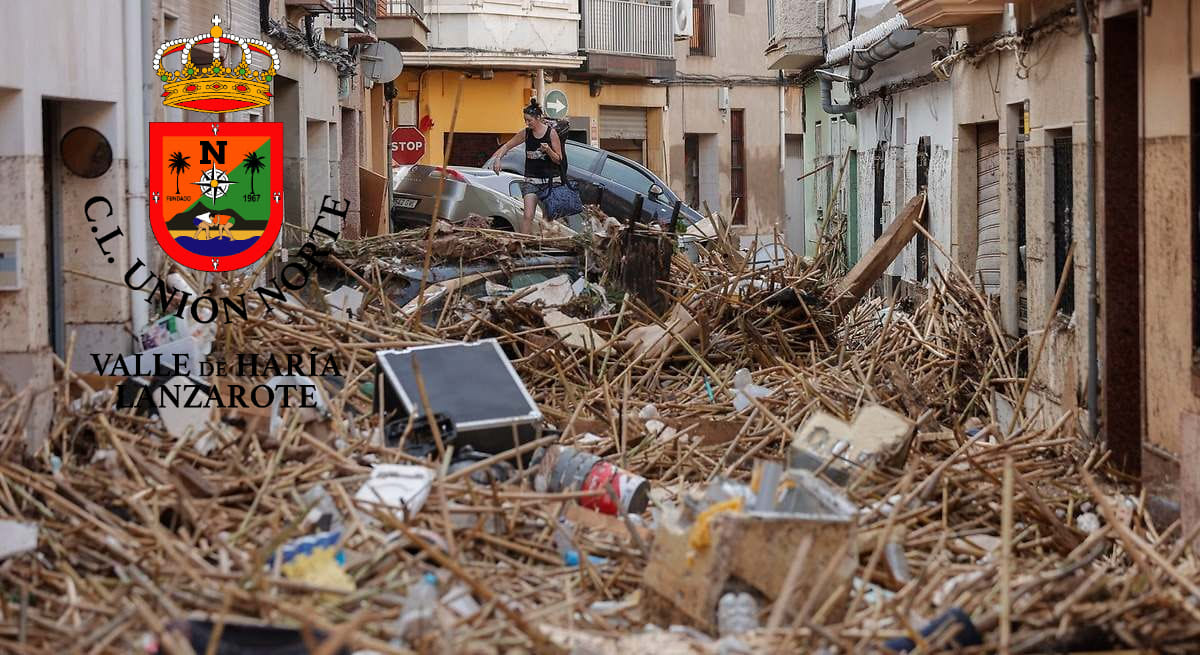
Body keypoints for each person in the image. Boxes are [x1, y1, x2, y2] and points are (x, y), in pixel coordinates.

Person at [491, 99, 563, 233]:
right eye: (525, 120)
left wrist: (548, 150)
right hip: (531, 180)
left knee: (548, 219)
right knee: (528, 215)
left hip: (550, 181)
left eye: (529, 120)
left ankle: (545, 245)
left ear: (538, 118)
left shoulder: (551, 133)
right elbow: (507, 145)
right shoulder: (526, 133)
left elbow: (559, 159)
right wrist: (498, 159)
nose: (527, 123)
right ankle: (524, 244)